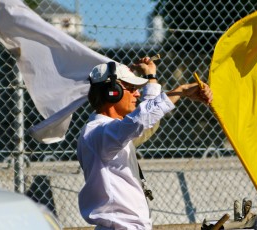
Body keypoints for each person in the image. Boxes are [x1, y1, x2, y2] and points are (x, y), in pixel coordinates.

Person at [77, 57, 213, 230]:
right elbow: (140, 120)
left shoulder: (110, 133)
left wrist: (151, 77)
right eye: (132, 88)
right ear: (113, 91)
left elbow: (146, 123)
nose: (137, 94)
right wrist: (181, 91)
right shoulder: (97, 133)